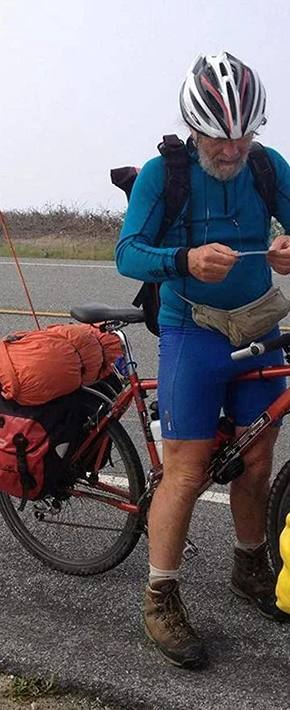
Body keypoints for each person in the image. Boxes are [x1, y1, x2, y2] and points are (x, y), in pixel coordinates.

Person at [116, 51, 290, 669]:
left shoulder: (267, 166)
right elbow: (128, 253)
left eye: (244, 135)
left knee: (257, 459)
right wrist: (183, 260)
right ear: (194, 126)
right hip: (192, 328)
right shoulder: (165, 174)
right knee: (186, 472)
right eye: (220, 138)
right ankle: (159, 597)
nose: (233, 149)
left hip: (259, 323)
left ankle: (249, 566)